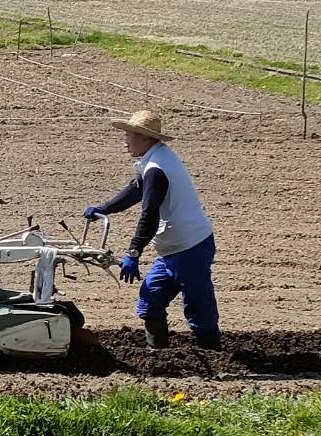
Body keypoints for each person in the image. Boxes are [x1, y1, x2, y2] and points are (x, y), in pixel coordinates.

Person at [84, 110, 220, 351]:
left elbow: (149, 214)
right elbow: (136, 189)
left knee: (198, 306)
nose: (125, 141)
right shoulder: (153, 160)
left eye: (129, 135)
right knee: (150, 300)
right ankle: (157, 355)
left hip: (190, 246)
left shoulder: (157, 167)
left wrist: (133, 252)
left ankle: (212, 354)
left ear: (144, 138)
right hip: (171, 249)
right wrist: (105, 209)